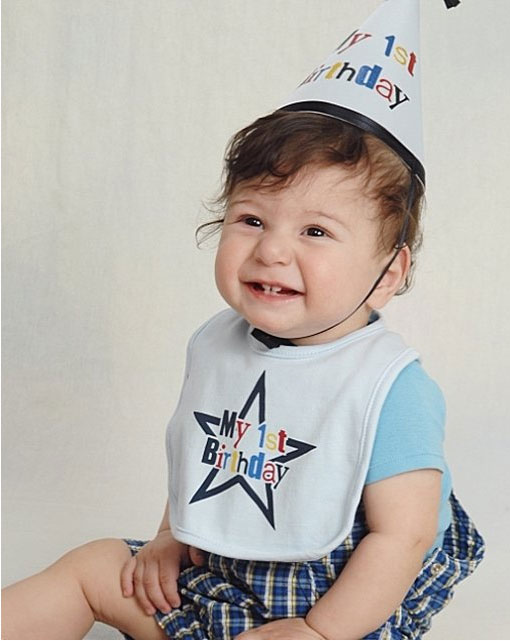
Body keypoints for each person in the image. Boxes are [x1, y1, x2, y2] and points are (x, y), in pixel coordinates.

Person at [2, 109, 484, 641]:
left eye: (316, 231)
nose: (271, 250)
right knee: (91, 568)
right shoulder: (220, 346)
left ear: (387, 274)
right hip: (224, 578)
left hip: (342, 600)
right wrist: (172, 535)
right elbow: (208, 453)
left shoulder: (387, 386)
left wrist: (319, 630)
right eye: (252, 220)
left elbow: (404, 537)